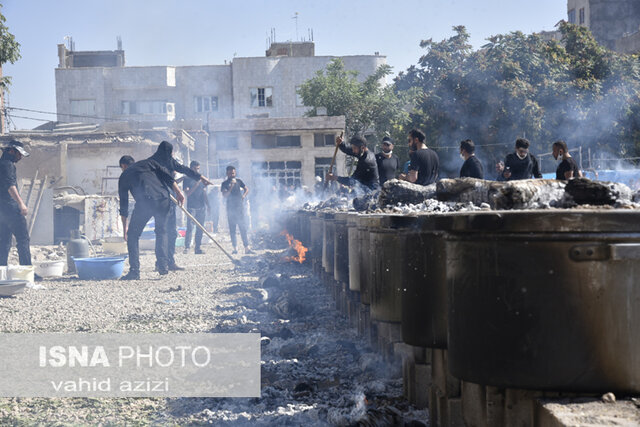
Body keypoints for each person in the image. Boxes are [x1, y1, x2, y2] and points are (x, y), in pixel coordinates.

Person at [118, 157, 185, 280]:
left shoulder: (125, 175)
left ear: (123, 166)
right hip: (164, 200)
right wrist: (179, 192)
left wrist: (125, 230)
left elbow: (124, 205)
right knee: (161, 232)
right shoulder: (149, 163)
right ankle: (163, 267)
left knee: (133, 235)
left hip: (146, 202)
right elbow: (168, 177)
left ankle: (134, 271)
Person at [149, 141, 212, 271]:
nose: (171, 155)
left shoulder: (170, 161)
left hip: (170, 197)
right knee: (162, 232)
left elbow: (184, 169)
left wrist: (201, 177)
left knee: (172, 232)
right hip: (160, 197)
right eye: (170, 152)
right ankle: (160, 263)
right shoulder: (153, 162)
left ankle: (170, 261)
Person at [0, 140, 32, 267]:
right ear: (11, 151)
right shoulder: (8, 165)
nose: (20, 157)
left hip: (2, 211)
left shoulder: (1, 164)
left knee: (4, 241)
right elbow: (10, 186)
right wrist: (21, 204)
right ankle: (27, 270)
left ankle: (2, 272)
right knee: (23, 239)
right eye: (19, 154)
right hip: (11, 208)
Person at [221, 166, 253, 254]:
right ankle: (235, 249)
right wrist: (231, 187)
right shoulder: (224, 184)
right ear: (227, 173)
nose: (232, 175)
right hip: (230, 209)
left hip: (239, 209)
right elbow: (225, 195)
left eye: (233, 173)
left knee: (243, 228)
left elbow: (247, 189)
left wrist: (243, 196)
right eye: (231, 173)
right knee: (232, 230)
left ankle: (247, 248)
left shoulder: (239, 181)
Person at [183, 161, 209, 254]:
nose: (197, 171)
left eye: (198, 168)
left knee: (200, 228)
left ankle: (197, 248)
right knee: (190, 227)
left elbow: (204, 193)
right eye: (195, 168)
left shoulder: (201, 179)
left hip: (201, 207)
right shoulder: (187, 179)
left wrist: (208, 205)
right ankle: (187, 247)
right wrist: (196, 184)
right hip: (191, 207)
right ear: (191, 168)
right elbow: (188, 193)